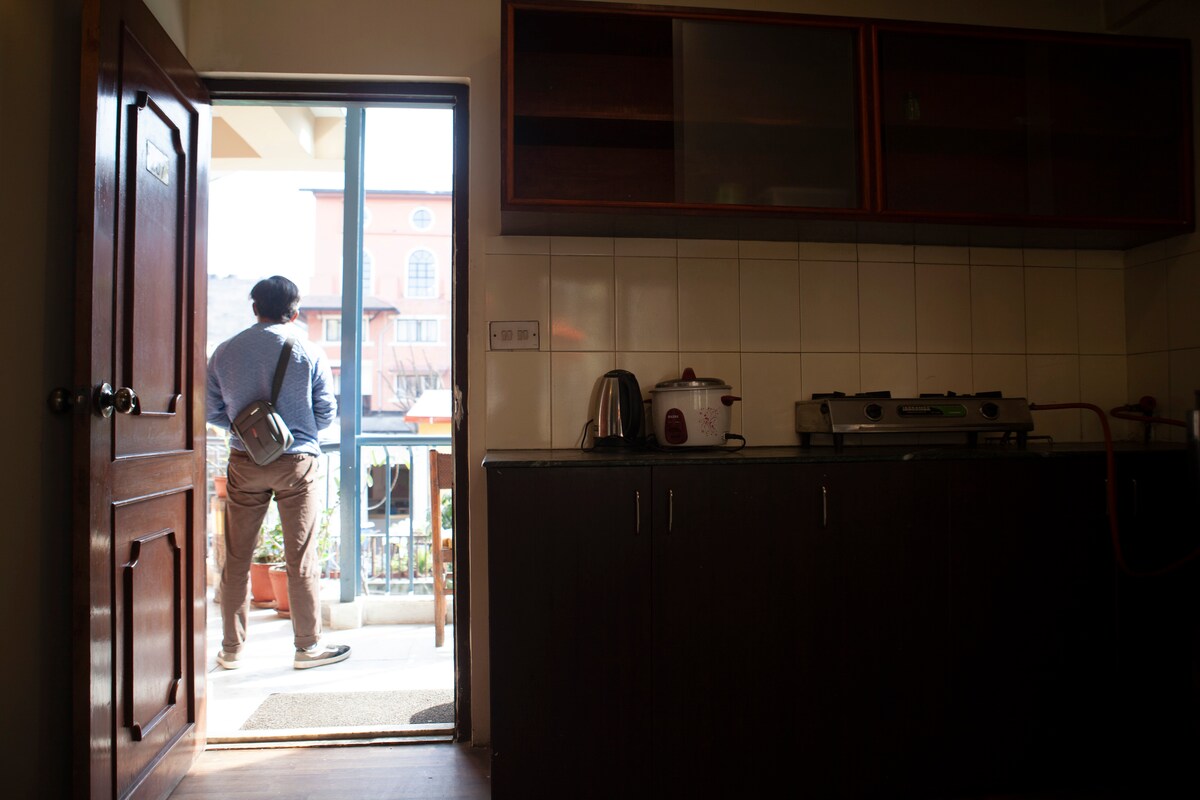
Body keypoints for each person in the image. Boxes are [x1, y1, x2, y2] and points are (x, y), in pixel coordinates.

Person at [206, 275, 350, 670]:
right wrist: (296, 429)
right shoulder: (309, 349)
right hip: (296, 462)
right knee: (300, 556)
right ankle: (307, 648)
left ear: (255, 308)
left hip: (245, 461)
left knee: (237, 556)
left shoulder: (225, 351)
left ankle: (231, 650)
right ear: (295, 311)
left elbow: (210, 409)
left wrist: (248, 430)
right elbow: (325, 412)